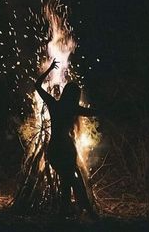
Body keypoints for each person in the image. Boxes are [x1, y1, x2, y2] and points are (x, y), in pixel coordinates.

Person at [35, 58, 98, 217]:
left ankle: (67, 212)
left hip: (56, 151)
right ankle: (87, 212)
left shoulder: (54, 104)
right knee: (72, 182)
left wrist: (49, 70)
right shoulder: (73, 108)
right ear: (75, 96)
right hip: (64, 150)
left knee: (67, 182)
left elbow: (37, 85)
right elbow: (94, 112)